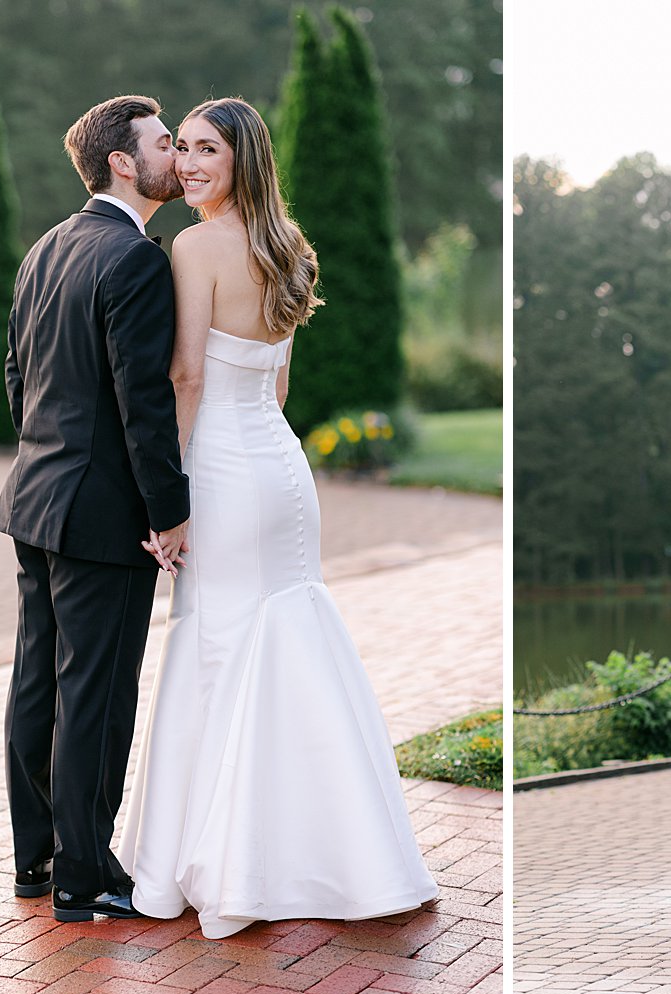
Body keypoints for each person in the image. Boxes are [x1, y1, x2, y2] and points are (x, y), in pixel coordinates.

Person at [116, 97, 438, 939]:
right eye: (180, 149)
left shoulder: (193, 244)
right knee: (285, 638)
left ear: (242, 160)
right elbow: (280, 384)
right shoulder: (286, 246)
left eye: (206, 151)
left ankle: (232, 862)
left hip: (222, 469)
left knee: (219, 647)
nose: (187, 164)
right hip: (283, 468)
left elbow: (187, 377)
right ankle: (343, 851)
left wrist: (170, 500)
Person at [0, 95, 189, 922]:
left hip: (35, 499)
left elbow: (16, 374)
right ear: (122, 161)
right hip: (101, 514)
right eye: (162, 141)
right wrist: (169, 510)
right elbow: (140, 400)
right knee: (97, 695)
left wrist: (47, 459)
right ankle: (84, 874)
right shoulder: (137, 258)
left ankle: (34, 859)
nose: (175, 153)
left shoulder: (47, 246)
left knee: (37, 682)